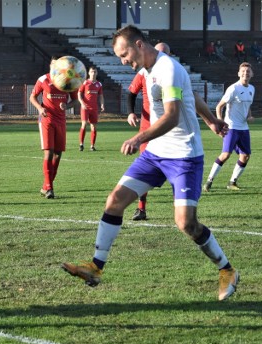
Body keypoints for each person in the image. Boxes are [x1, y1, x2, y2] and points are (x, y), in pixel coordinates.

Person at [63, 25, 238, 301]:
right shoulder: (146, 71)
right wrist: (211, 120)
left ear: (139, 44)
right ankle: (95, 267)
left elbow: (172, 116)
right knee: (115, 201)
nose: (123, 61)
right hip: (155, 154)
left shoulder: (167, 69)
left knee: (186, 224)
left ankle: (227, 270)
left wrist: (138, 137)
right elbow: (190, 94)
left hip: (183, 155)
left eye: (124, 54)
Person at [127, 41, 221, 220]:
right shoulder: (143, 73)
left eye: (165, 54)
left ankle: (182, 210)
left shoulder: (172, 72)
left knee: (177, 175)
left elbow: (191, 97)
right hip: (148, 130)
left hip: (174, 134)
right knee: (135, 179)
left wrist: (211, 120)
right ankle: (141, 208)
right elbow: (131, 93)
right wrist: (131, 113)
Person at [30, 58, 79, 199]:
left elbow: (75, 100)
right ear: (50, 65)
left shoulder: (68, 79)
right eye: (53, 64)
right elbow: (32, 97)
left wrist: (67, 106)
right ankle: (50, 187)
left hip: (61, 120)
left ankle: (46, 186)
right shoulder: (43, 79)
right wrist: (39, 108)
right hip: (47, 119)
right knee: (49, 153)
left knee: (58, 154)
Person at [204, 62, 255, 192]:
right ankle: (209, 181)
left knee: (245, 156)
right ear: (239, 73)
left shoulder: (252, 89)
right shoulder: (233, 88)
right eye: (243, 71)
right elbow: (219, 106)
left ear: (251, 74)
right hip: (231, 127)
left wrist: (249, 116)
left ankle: (232, 182)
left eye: (248, 71)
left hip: (244, 128)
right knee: (225, 154)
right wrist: (220, 122)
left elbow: (248, 106)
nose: (245, 73)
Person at [78, 66, 105, 151]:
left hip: (94, 108)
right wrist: (82, 103)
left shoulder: (99, 84)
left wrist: (102, 104)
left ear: (97, 73)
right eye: (92, 72)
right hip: (85, 108)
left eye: (95, 72)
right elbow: (79, 94)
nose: (93, 73)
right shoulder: (85, 82)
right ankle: (81, 144)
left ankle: (92, 146)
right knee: (84, 124)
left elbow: (101, 96)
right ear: (89, 73)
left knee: (93, 127)